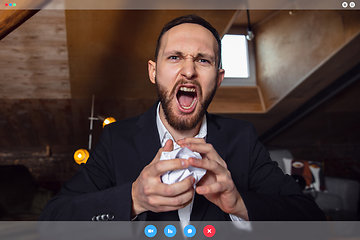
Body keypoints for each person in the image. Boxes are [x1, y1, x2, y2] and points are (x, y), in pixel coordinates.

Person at [39, 14, 326, 221]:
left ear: (219, 78)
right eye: (175, 57)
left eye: (203, 60)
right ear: (153, 71)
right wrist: (133, 199)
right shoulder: (116, 138)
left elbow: (310, 218)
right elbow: (52, 219)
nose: (189, 71)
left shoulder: (243, 137)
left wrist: (239, 203)